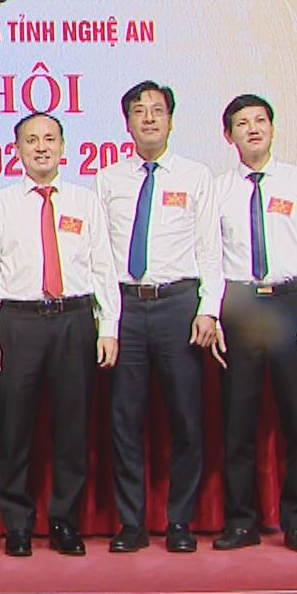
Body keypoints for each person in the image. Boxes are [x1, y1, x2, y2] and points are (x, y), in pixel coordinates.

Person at [0, 111, 120, 557]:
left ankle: (65, 521)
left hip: (73, 320)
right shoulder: (0, 204)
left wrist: (108, 326)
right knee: (14, 429)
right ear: (16, 150)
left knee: (72, 429)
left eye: (50, 139)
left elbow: (103, 267)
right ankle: (17, 525)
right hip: (17, 322)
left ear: (63, 147)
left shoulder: (85, 202)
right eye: (31, 140)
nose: (41, 147)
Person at [95, 81, 222, 553]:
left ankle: (180, 521)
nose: (148, 118)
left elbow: (210, 249)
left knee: (185, 417)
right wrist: (107, 321)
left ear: (171, 119)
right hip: (126, 306)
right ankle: (131, 523)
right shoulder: (108, 179)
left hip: (179, 304)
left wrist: (209, 308)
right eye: (139, 111)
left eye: (157, 110)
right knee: (124, 419)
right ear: (127, 123)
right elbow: (100, 256)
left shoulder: (196, 176)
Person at [210, 95, 297, 554]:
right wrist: (212, 312)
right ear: (229, 136)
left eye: (260, 120)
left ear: (272, 127)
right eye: (242, 123)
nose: (253, 129)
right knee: (238, 421)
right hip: (241, 304)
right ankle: (240, 521)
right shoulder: (218, 190)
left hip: (291, 301)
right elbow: (210, 257)